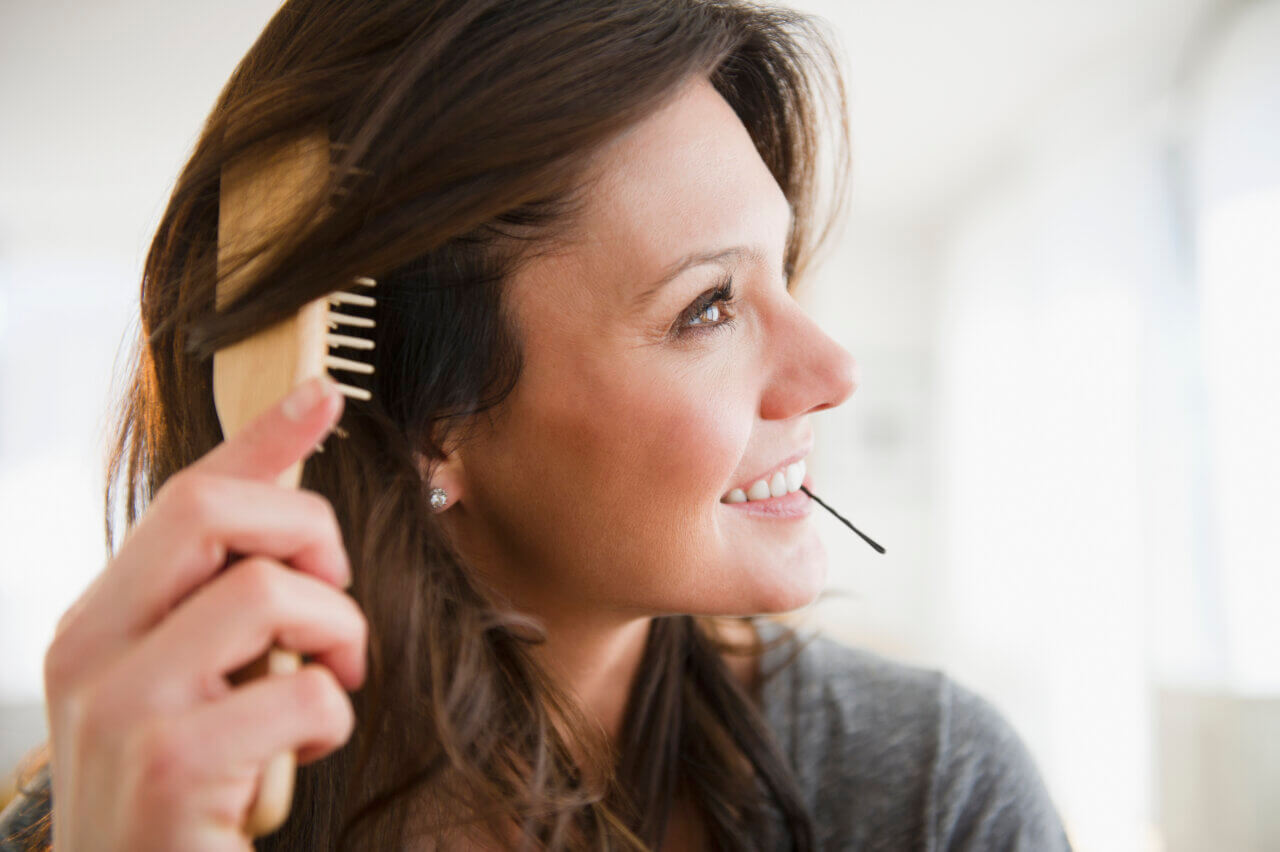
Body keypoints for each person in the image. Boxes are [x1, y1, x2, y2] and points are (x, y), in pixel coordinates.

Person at [0, 0, 1073, 849]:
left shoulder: (926, 792)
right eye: (707, 307)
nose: (834, 373)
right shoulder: (121, 829)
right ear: (432, 425)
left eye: (781, 272)